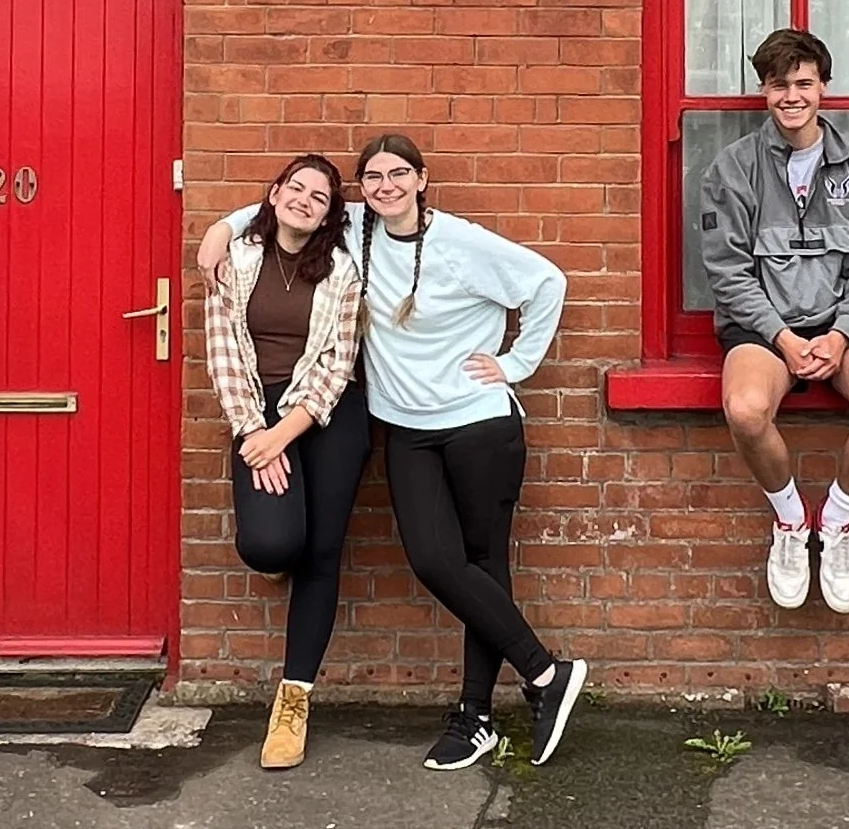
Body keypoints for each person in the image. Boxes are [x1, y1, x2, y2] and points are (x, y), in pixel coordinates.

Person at [201, 134, 586, 770]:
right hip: (404, 427)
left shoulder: (461, 242)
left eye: (399, 174)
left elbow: (547, 282)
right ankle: (546, 674)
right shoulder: (355, 226)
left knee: (482, 565)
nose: (385, 186)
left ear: (421, 178)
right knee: (436, 560)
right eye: (373, 177)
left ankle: (479, 715)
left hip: (476, 423)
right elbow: (277, 209)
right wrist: (219, 229)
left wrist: (516, 364)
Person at [701, 27, 849, 616]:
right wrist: (785, 338)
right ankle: (792, 521)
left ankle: (838, 521)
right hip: (765, 333)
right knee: (744, 409)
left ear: (823, 87)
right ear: (763, 92)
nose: (791, 96)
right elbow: (729, 272)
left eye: (803, 83)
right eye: (778, 85)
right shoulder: (732, 169)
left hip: (845, 324)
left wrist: (841, 335)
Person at [203, 153, 367, 771]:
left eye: (318, 197)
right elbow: (221, 351)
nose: (303, 199)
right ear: (272, 196)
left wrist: (284, 434)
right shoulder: (235, 261)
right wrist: (254, 431)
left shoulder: (343, 275)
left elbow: (337, 364)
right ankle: (283, 544)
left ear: (329, 215)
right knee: (271, 547)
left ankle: (293, 701)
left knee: (322, 553)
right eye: (295, 188)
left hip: (326, 415)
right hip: (256, 409)